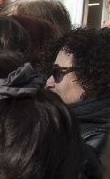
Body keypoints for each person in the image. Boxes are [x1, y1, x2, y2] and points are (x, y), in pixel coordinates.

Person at [47, 27, 110, 159]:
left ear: (91, 75)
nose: (49, 82)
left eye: (57, 72)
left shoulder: (97, 142)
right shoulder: (68, 126)